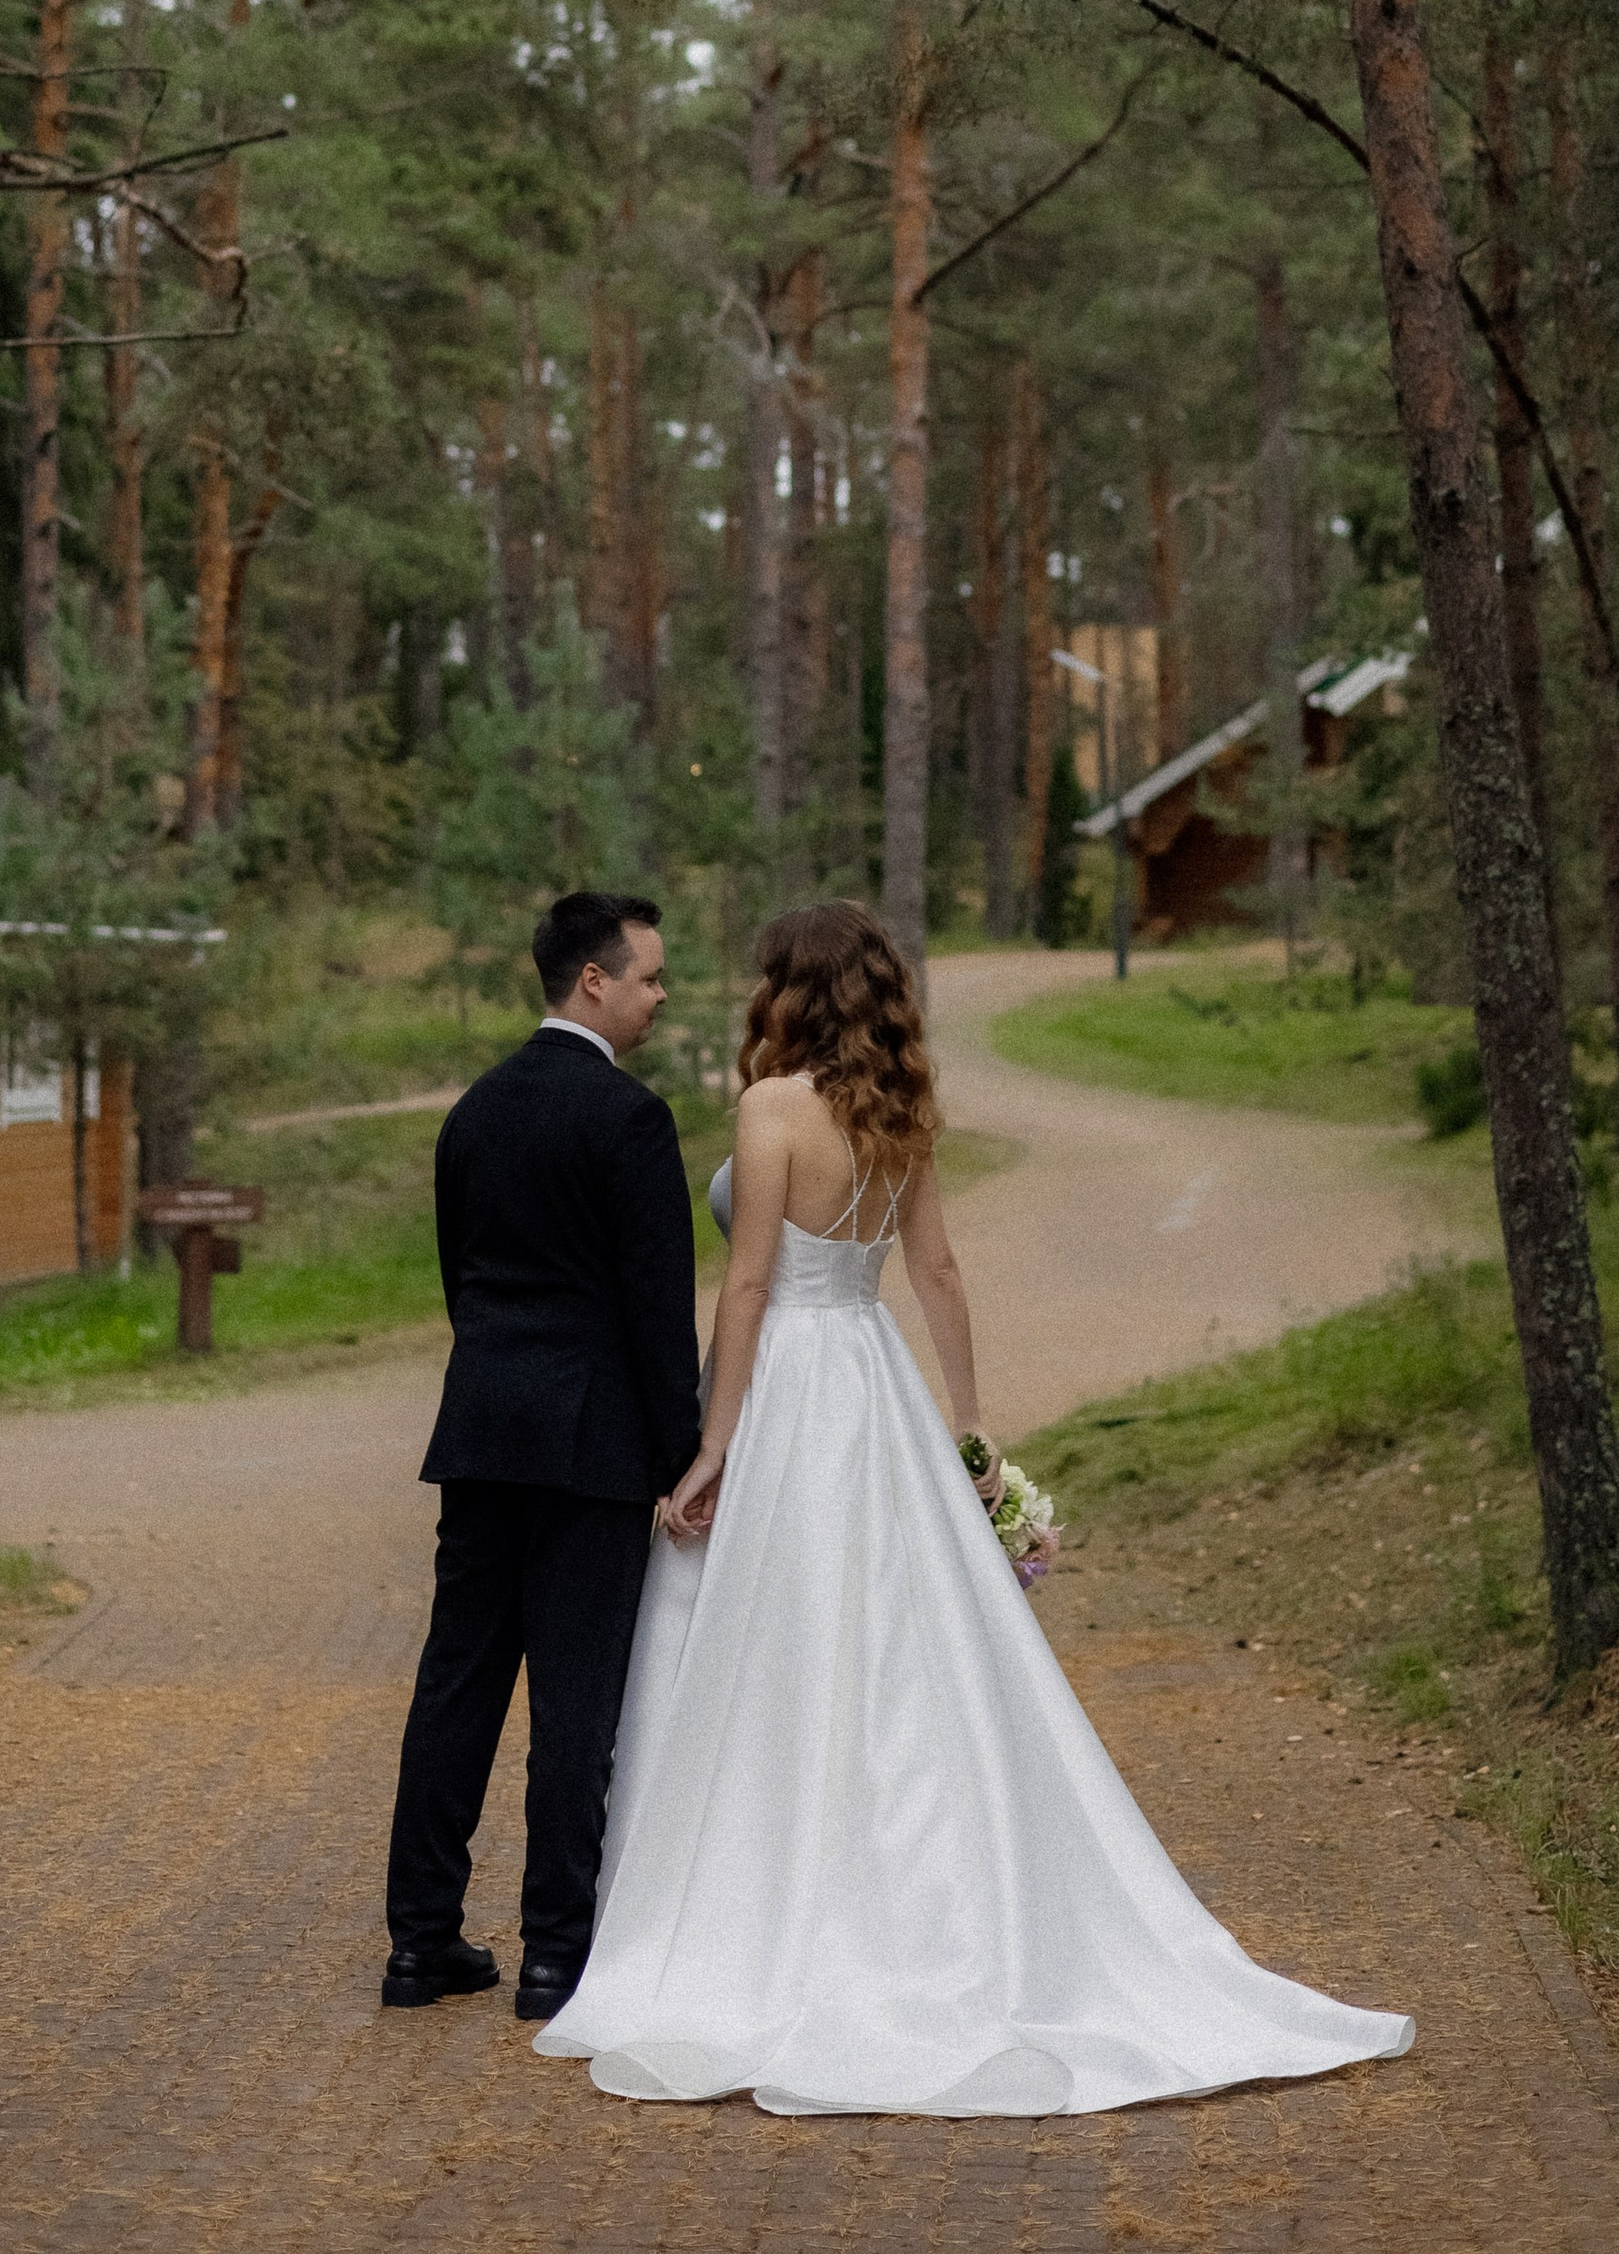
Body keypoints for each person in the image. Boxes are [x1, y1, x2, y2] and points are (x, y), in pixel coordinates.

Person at [534, 897, 1414, 2117]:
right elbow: (936, 1269)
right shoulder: (896, 1113)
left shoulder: (772, 1109)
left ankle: (762, 1898)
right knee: (904, 1643)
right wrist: (966, 1424)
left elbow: (744, 1290)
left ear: (791, 989)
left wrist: (710, 1445)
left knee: (773, 1640)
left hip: (791, 1385)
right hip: (874, 1379)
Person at [381, 888, 700, 2025]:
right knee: (575, 1705)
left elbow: (459, 1285)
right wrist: (685, 1457)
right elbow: (660, 1316)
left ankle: (420, 1943)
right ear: (595, 982)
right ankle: (557, 1958)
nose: (664, 996)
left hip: (479, 1430)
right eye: (652, 977)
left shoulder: (473, 1113)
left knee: (455, 1687)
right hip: (592, 1446)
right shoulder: (627, 1121)